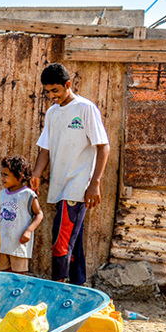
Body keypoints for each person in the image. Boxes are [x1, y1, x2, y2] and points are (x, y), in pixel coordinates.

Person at [30, 63, 110, 286]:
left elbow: (103, 146)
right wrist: (37, 173)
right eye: (47, 92)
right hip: (59, 185)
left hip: (77, 186)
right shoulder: (53, 113)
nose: (52, 96)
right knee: (72, 239)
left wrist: (95, 183)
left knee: (61, 239)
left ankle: (58, 286)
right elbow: (45, 148)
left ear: (67, 85)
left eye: (55, 90)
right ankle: (78, 285)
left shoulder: (86, 108)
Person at [0, 155, 43, 275]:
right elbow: (1, 215)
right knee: (3, 274)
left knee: (19, 276)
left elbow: (39, 214)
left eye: (6, 175)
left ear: (19, 177)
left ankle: (19, 294)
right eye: (2, 174)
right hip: (4, 244)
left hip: (19, 245)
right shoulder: (2, 194)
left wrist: (29, 231)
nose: (2, 178)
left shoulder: (27, 194)